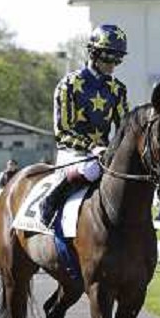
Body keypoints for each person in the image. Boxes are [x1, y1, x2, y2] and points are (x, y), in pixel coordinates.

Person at [39, 24, 129, 227]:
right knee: (91, 168)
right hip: (73, 154)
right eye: (108, 57)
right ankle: (52, 200)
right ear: (93, 53)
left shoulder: (117, 90)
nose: (113, 64)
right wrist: (91, 147)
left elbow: (124, 128)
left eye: (118, 58)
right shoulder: (69, 85)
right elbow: (62, 132)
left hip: (103, 154)